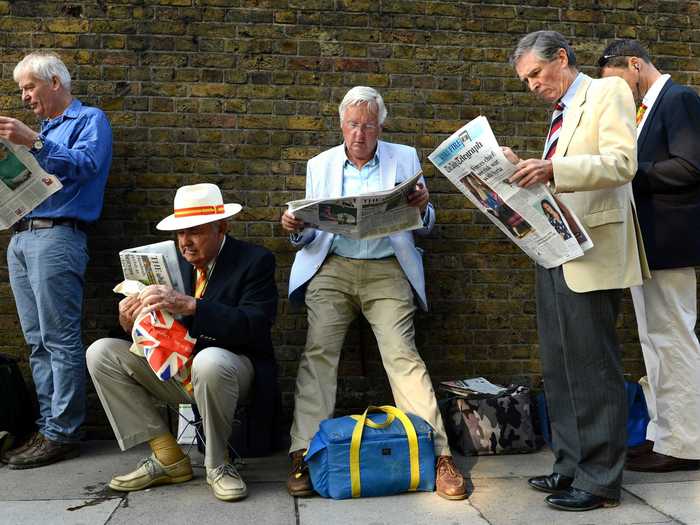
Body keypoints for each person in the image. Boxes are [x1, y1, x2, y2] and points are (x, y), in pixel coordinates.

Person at [280, 86, 467, 501]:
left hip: (386, 268)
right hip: (332, 267)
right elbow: (310, 230)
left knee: (402, 354)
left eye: (367, 125)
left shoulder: (404, 158)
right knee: (318, 354)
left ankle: (438, 455)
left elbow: (426, 224)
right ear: (340, 125)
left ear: (380, 125)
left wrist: (422, 206)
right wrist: (295, 228)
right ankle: (305, 454)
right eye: (352, 125)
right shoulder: (320, 164)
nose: (359, 134)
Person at [503, 31, 648, 511]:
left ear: (561, 58)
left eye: (536, 74)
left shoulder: (606, 91)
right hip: (555, 248)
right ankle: (569, 465)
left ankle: (601, 480)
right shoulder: (559, 114)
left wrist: (551, 170)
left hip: (594, 251)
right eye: (526, 80)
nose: (533, 86)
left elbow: (621, 163)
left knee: (592, 370)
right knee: (560, 369)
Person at [86, 183, 279, 502]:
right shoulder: (168, 262)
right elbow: (145, 334)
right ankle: (167, 457)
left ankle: (219, 464)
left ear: (222, 228)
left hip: (232, 372)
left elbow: (254, 325)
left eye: (195, 232)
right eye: (180, 233)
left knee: (210, 361)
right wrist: (128, 320)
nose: (185, 242)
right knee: (101, 353)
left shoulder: (254, 260)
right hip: (176, 369)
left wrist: (191, 305)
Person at [0, 52, 112, 469]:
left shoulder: (90, 120)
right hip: (22, 237)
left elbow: (88, 165)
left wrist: (34, 141)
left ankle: (63, 432)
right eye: (22, 91)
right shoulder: (43, 127)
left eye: (29, 87)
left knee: (58, 338)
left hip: (58, 236)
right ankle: (48, 425)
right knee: (36, 340)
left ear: (54, 82)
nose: (25, 97)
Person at [599, 39, 700, 473]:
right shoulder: (647, 108)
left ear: (636, 64)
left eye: (617, 81)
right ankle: (664, 433)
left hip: (671, 243)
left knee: (674, 340)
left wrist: (631, 175)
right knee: (654, 342)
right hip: (648, 246)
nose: (616, 94)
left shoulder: (679, 99)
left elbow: (691, 165)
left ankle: (686, 445)